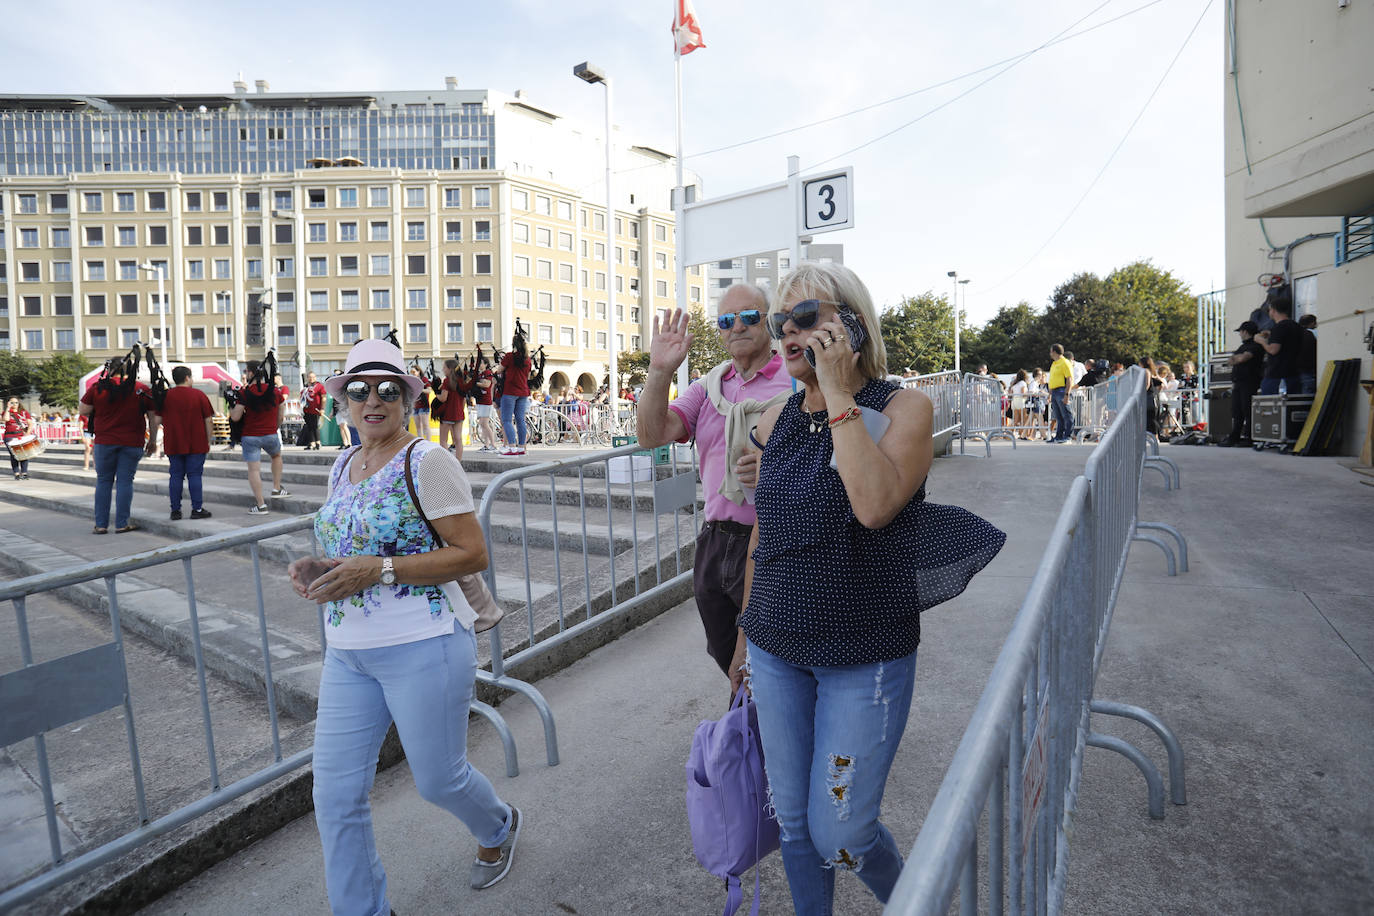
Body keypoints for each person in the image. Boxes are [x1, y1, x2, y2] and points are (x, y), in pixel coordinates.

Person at [735, 263, 1005, 913]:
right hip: (775, 649)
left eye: (809, 317)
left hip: (864, 657)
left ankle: (920, 904)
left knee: (842, 831)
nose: (791, 333)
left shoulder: (904, 407)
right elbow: (762, 537)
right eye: (782, 323)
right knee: (796, 824)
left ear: (852, 322)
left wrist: (837, 392)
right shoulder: (772, 421)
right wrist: (746, 636)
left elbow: (875, 505)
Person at [287, 338, 522, 916]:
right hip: (348, 654)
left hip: (425, 644)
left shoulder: (428, 460)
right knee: (335, 796)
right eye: (359, 390)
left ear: (407, 398)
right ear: (341, 399)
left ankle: (498, 823)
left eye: (388, 390)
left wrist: (381, 569)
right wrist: (322, 565)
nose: (374, 401)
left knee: (438, 781)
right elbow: (356, 545)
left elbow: (471, 553)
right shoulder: (344, 462)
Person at [637, 283, 792, 680]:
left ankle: (758, 734)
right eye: (726, 320)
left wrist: (773, 468)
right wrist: (659, 371)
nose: (737, 326)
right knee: (728, 655)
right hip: (714, 539)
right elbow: (652, 434)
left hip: (773, 540)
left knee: (763, 662)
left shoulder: (794, 382)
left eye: (749, 316)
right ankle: (750, 729)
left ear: (769, 321)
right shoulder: (709, 386)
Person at [80, 365, 159, 534]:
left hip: (105, 441)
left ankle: (101, 525)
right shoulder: (141, 389)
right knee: (125, 482)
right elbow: (153, 418)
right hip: (132, 441)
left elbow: (83, 410)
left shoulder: (99, 387)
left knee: (104, 481)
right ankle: (122, 523)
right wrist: (152, 440)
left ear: (110, 371)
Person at [229, 361, 289, 515]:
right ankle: (276, 488)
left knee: (254, 469)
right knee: (276, 456)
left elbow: (235, 417)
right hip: (270, 434)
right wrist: (273, 428)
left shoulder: (244, 393)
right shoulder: (275, 391)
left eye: (246, 371)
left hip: (250, 436)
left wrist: (231, 404)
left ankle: (261, 505)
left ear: (251, 373)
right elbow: (281, 416)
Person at [159, 366, 215, 520]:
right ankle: (196, 509)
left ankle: (175, 510)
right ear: (187, 378)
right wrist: (208, 439)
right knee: (194, 475)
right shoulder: (199, 395)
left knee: (175, 476)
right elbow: (208, 420)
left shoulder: (166, 396)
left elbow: (157, 419)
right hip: (196, 442)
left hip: (174, 442)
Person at [1219, 321, 1266, 447]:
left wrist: (1236, 359)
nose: (1239, 334)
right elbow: (1232, 360)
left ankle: (1249, 437)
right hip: (1239, 382)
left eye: (1240, 331)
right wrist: (1236, 359)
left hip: (1249, 382)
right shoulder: (1243, 347)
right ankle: (1235, 436)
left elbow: (1243, 358)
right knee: (1237, 410)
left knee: (1247, 410)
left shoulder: (1255, 345)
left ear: (1245, 331)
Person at [1256, 286, 1304, 395]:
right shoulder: (1295, 326)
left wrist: (1261, 341)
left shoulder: (1279, 327)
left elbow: (1273, 350)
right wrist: (1271, 334)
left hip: (1277, 376)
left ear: (1273, 310)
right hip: (1294, 373)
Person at [494, 333, 531, 456]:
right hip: (523, 391)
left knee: (507, 420)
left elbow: (499, 370)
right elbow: (528, 376)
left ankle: (512, 447)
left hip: (510, 391)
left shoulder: (510, 356)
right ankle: (521, 447)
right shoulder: (527, 359)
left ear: (514, 344)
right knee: (520, 420)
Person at [433, 358, 470, 459]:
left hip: (447, 414)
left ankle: (449, 462)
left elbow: (443, 398)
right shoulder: (461, 381)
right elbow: (463, 400)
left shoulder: (447, 381)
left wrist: (436, 394)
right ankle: (458, 462)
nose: (443, 369)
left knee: (443, 441)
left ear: (450, 369)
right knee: (458, 439)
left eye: (444, 367)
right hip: (458, 413)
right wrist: (460, 410)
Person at [3, 397, 38, 480]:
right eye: (12, 402)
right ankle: (16, 473)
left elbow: (30, 424)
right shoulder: (6, 412)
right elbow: (6, 419)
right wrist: (8, 408)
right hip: (9, 436)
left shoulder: (24, 413)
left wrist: (27, 434)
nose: (14, 404)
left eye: (16, 402)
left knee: (24, 454)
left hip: (21, 436)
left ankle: (24, 473)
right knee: (14, 455)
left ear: (19, 403)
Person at [1046, 344, 1075, 443]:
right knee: (1058, 416)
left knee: (1067, 415)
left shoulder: (1065, 362)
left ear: (1054, 352)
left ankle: (1068, 436)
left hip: (1062, 391)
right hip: (1054, 391)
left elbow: (1069, 379)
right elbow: (1052, 379)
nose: (1050, 353)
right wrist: (1050, 394)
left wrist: (1067, 394)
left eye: (1051, 351)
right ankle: (1059, 436)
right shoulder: (1054, 363)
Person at [472, 357, 497, 452]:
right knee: (482, 424)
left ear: (486, 364)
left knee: (484, 423)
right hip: (480, 400)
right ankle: (486, 445)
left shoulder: (487, 373)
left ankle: (493, 445)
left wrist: (475, 383)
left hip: (486, 401)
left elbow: (486, 384)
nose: (479, 365)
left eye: (481, 363)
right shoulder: (480, 374)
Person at [299, 371, 325, 451]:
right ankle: (312, 443)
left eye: (313, 377)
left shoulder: (319, 386)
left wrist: (322, 408)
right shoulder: (306, 387)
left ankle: (318, 442)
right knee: (309, 427)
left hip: (316, 410)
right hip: (307, 410)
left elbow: (324, 398)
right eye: (310, 377)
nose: (311, 379)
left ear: (315, 377)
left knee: (315, 426)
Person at [1296, 314, 1318, 395]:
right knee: (1307, 397)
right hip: (1309, 369)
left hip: (1294, 370)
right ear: (1312, 323)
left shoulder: (1295, 333)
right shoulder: (1312, 333)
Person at [1009, 369, 1031, 440]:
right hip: (1021, 401)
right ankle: (1022, 434)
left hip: (1014, 401)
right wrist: (1029, 394)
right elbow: (1023, 393)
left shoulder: (1014, 384)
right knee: (1024, 419)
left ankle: (1008, 434)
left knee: (1015, 419)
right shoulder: (1023, 383)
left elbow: (1011, 393)